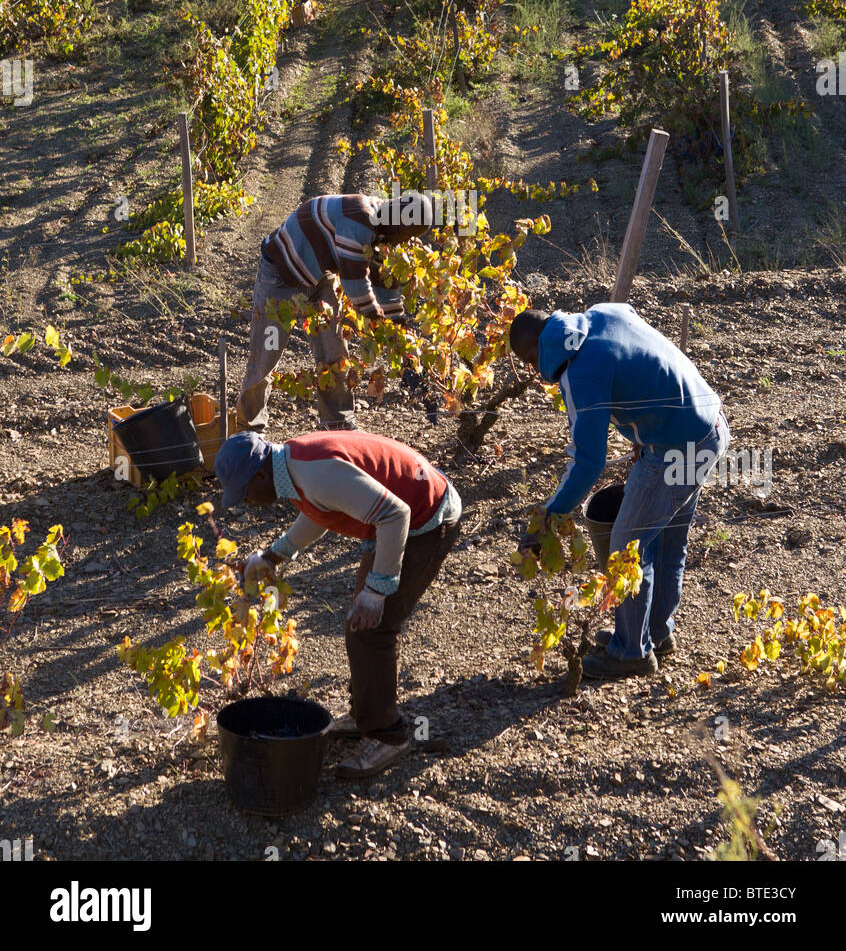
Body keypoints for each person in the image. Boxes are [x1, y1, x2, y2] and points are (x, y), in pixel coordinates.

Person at [214, 428, 462, 776]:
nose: (246, 503)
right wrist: (272, 555)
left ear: (259, 474)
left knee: (373, 629)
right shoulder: (295, 465)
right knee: (358, 625)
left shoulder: (317, 473)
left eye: (244, 493)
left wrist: (377, 591)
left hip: (426, 519)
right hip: (392, 523)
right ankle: (366, 716)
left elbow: (396, 515)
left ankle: (389, 736)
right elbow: (320, 511)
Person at [509, 303, 730, 681]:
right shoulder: (604, 313)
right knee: (666, 542)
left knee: (626, 548)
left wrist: (550, 515)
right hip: (709, 426)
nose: (534, 372)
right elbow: (640, 363)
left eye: (530, 362)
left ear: (535, 355)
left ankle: (631, 652)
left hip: (675, 449)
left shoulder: (579, 373)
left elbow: (588, 461)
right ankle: (655, 634)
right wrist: (642, 429)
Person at [236, 193, 433, 435]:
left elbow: (384, 285)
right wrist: (376, 319)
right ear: (398, 219)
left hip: (320, 278)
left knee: (335, 351)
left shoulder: (384, 232)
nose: (404, 240)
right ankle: (248, 431)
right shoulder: (361, 219)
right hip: (280, 277)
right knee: (266, 354)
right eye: (407, 233)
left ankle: (338, 424)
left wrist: (402, 333)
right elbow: (354, 282)